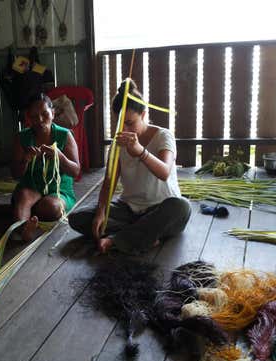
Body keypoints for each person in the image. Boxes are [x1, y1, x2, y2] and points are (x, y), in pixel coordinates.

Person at [68, 79, 191, 255]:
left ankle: (117, 240)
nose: (125, 128)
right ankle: (143, 234)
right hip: (129, 209)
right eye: (120, 123)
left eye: (130, 122)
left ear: (143, 115)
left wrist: (141, 151)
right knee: (78, 218)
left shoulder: (164, 136)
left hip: (162, 207)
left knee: (182, 208)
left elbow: (164, 172)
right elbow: (109, 182)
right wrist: (101, 212)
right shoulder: (117, 145)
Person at [10, 93, 80, 241]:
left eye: (44, 114)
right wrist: (25, 160)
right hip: (32, 187)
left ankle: (22, 212)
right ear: (28, 117)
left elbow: (75, 171)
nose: (40, 120)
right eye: (34, 116)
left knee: (51, 207)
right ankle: (24, 230)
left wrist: (60, 157)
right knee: (24, 197)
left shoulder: (64, 135)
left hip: (59, 190)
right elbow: (15, 174)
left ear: (53, 113)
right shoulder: (22, 138)